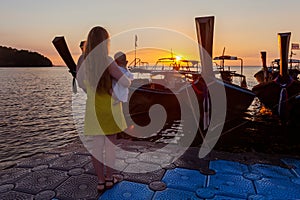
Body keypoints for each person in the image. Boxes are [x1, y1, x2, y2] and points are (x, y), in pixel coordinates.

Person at [76, 26, 131, 192]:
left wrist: (92, 91)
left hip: (93, 109)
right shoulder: (107, 60)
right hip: (110, 108)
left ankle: (100, 181)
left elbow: (80, 84)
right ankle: (109, 178)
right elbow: (125, 82)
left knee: (97, 147)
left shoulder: (82, 60)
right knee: (110, 146)